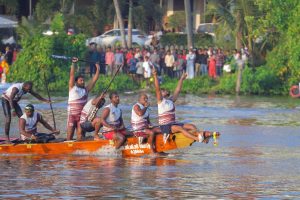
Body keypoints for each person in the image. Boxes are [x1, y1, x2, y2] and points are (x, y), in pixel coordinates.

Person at [152, 69, 211, 143]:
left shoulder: (171, 100)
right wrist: (155, 76)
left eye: (165, 90)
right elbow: (157, 89)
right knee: (180, 128)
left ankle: (199, 135)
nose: (164, 91)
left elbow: (177, 90)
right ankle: (197, 139)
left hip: (173, 123)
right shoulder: (160, 101)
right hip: (165, 126)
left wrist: (181, 79)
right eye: (163, 91)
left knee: (192, 126)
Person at [67, 57, 100, 141]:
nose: (83, 82)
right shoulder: (72, 88)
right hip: (72, 116)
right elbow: (72, 75)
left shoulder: (86, 90)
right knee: (69, 136)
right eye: (81, 80)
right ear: (76, 82)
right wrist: (73, 63)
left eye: (83, 80)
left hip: (81, 117)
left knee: (80, 136)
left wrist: (98, 69)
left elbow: (94, 81)